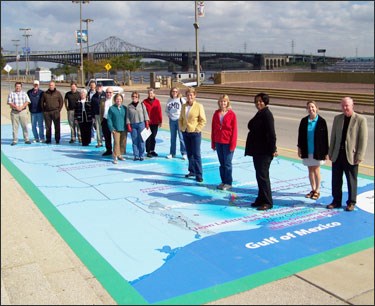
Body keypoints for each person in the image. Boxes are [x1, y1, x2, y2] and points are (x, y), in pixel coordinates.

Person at [326, 97, 368, 212]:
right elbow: (333, 137)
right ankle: (336, 201)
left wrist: (359, 155)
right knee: (336, 180)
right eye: (343, 106)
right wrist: (330, 152)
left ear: (352, 106)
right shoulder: (337, 118)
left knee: (351, 180)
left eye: (347, 106)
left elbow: (362, 140)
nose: (345, 108)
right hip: (337, 154)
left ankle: (351, 202)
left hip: (351, 156)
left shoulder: (360, 120)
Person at [245, 93, 277, 211]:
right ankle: (260, 198)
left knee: (263, 176)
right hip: (257, 151)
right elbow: (251, 125)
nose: (258, 103)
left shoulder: (267, 114)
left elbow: (272, 134)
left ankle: (267, 201)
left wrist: (273, 150)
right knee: (259, 176)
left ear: (265, 102)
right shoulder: (260, 113)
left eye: (261, 101)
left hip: (264, 152)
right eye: (256, 101)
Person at [297, 101, 329, 201]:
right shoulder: (304, 121)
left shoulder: (321, 121)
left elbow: (325, 138)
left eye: (313, 107)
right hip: (307, 149)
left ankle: (317, 190)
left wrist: (326, 152)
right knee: (310, 170)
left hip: (318, 150)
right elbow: (300, 136)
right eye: (309, 107)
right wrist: (299, 148)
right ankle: (313, 189)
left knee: (316, 170)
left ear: (316, 108)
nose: (311, 109)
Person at [179, 87, 206, 182]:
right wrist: (182, 128)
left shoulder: (199, 106)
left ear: (194, 96)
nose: (189, 96)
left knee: (196, 154)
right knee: (189, 153)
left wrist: (197, 129)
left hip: (195, 133)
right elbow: (181, 119)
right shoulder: (183, 106)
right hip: (186, 132)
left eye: (191, 95)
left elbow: (203, 120)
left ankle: (199, 174)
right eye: (188, 95)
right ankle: (192, 171)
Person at [211, 94, 238, 191]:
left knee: (227, 163)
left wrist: (233, 144)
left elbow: (234, 130)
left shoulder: (232, 114)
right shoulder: (216, 114)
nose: (223, 103)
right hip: (218, 141)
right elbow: (213, 129)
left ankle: (228, 182)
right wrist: (213, 143)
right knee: (221, 163)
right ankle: (223, 181)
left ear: (227, 103)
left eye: (225, 101)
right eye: (221, 101)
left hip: (227, 142)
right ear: (219, 102)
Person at [126, 91, 150, 161]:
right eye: (133, 96)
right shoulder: (129, 106)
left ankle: (141, 155)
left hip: (141, 124)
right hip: (133, 125)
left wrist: (147, 123)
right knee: (135, 140)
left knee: (142, 140)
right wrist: (128, 125)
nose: (134, 98)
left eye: (136, 96)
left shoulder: (142, 105)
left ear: (138, 97)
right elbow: (127, 117)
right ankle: (136, 155)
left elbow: (145, 114)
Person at [165, 87, 187, 160]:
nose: (174, 93)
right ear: (171, 92)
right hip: (172, 120)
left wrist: (183, 118)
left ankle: (184, 153)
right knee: (172, 138)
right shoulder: (169, 100)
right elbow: (166, 110)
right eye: (173, 91)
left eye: (176, 91)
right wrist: (170, 116)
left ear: (178, 92)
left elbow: (186, 109)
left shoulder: (181, 100)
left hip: (179, 120)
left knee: (181, 138)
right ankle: (172, 153)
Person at [107, 93, 128, 164]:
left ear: (122, 100)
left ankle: (120, 155)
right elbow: (109, 119)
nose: (118, 100)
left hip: (123, 128)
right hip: (115, 129)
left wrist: (128, 127)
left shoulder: (124, 108)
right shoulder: (112, 108)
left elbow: (127, 118)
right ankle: (115, 156)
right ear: (115, 100)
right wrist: (111, 128)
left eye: (120, 99)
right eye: (117, 99)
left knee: (122, 142)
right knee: (116, 142)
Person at [143, 88, 162, 158]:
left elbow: (159, 111)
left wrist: (160, 121)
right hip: (148, 123)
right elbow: (142, 112)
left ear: (154, 94)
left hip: (155, 122)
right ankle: (148, 151)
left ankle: (152, 150)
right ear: (148, 94)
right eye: (149, 93)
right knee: (148, 137)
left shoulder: (157, 102)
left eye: (152, 93)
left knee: (153, 137)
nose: (150, 95)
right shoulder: (144, 102)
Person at [91, 82, 106, 148]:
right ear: (96, 87)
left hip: (105, 115)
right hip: (97, 114)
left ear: (102, 87)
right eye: (98, 87)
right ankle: (99, 142)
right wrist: (93, 116)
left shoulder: (105, 95)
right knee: (98, 129)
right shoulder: (94, 96)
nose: (99, 88)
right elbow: (92, 106)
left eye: (100, 86)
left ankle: (107, 142)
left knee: (105, 128)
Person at [101, 87, 114, 156]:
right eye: (107, 92)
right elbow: (101, 111)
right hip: (105, 120)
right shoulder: (103, 100)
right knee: (107, 136)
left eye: (110, 92)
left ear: (112, 93)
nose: (108, 94)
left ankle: (117, 151)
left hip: (113, 121)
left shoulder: (115, 100)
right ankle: (109, 150)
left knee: (116, 137)